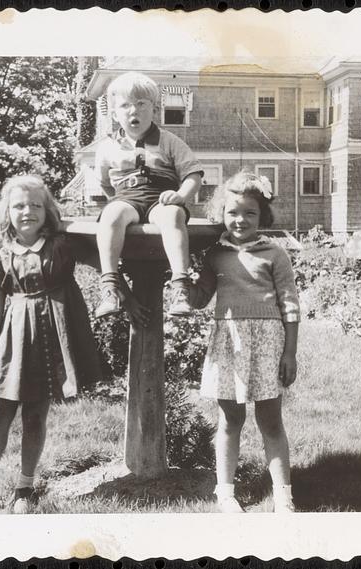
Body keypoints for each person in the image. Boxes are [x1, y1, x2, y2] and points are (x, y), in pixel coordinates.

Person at [0, 175, 102, 515]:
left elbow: (106, 258)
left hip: (51, 338)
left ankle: (24, 489)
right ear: (6, 212)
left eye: (36, 205)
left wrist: (122, 293)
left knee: (36, 414)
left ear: (48, 210)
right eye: (19, 206)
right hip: (14, 340)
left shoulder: (63, 245)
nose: (27, 211)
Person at [190, 170, 300, 514]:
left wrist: (290, 353)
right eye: (233, 212)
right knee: (230, 420)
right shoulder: (215, 255)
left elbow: (291, 305)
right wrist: (183, 279)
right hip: (229, 343)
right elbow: (199, 298)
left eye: (250, 213)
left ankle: (283, 495)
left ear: (262, 216)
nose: (240, 220)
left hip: (268, 344)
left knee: (270, 421)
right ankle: (225, 493)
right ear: (222, 213)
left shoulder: (274, 254)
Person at [94, 71, 203, 318]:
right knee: (111, 214)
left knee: (172, 215)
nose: (134, 111)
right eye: (125, 105)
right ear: (114, 114)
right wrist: (117, 202)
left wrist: (180, 196)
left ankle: (180, 287)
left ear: (154, 110)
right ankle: (110, 288)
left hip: (160, 197)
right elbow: (104, 183)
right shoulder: (107, 147)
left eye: (141, 104)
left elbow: (193, 173)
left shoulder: (169, 141)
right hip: (126, 198)